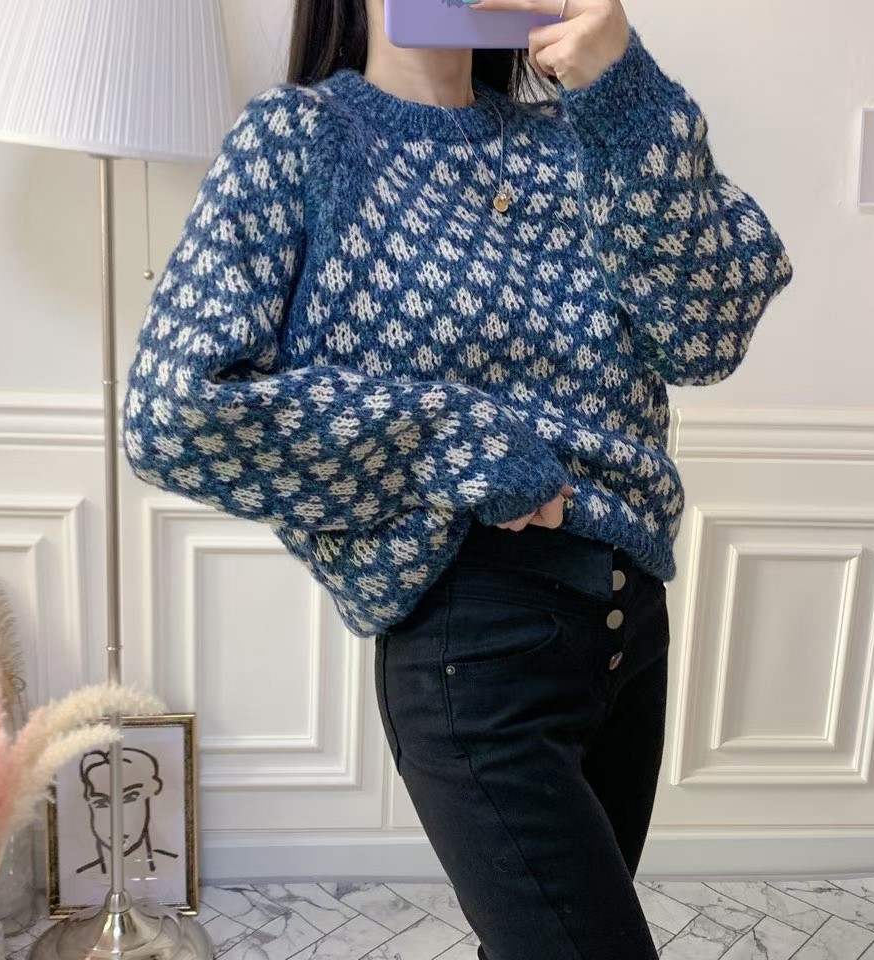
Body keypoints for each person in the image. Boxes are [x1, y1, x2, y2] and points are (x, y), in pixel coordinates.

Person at [121, 0, 794, 955]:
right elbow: (174, 409)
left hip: (630, 626)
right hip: (475, 639)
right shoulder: (300, 138)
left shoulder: (582, 131)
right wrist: (461, 438)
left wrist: (625, 89)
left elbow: (704, 334)